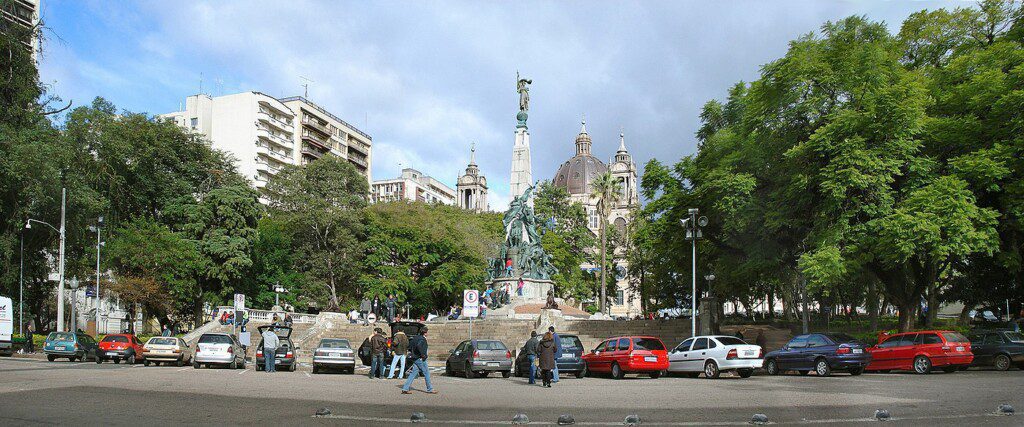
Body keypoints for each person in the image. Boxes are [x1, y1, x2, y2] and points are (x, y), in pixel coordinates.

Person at [402, 326, 436, 394]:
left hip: (414, 357)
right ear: (425, 333)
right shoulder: (422, 339)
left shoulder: (415, 338)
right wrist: (423, 355)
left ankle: (405, 388)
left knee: (413, 373)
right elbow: (419, 346)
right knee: (426, 373)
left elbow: (409, 346)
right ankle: (430, 389)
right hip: (420, 358)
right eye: (427, 332)